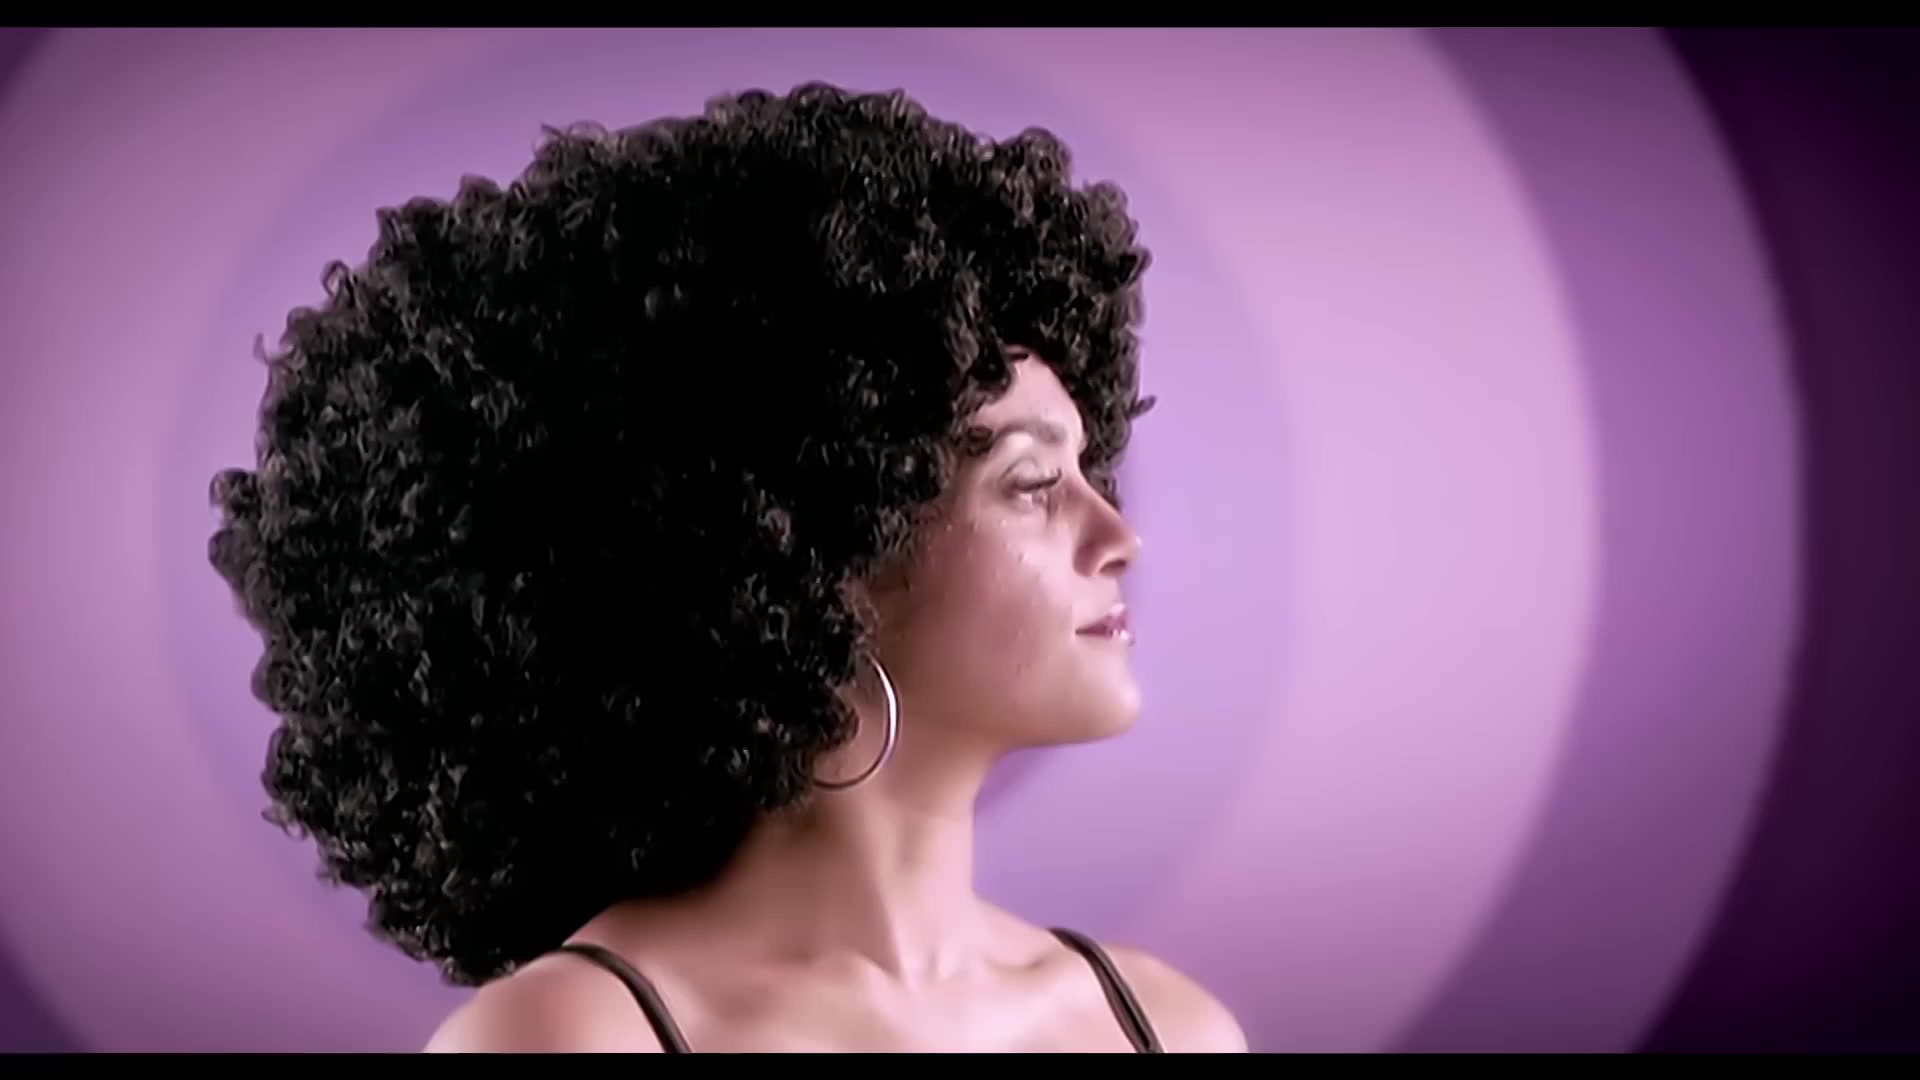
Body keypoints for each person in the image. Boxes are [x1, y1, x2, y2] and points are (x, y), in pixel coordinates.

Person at [206, 81, 1247, 1053]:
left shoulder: (1167, 1027)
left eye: (1090, 470)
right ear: (816, 557)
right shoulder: (573, 1038)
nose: (1120, 536)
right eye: (1032, 483)